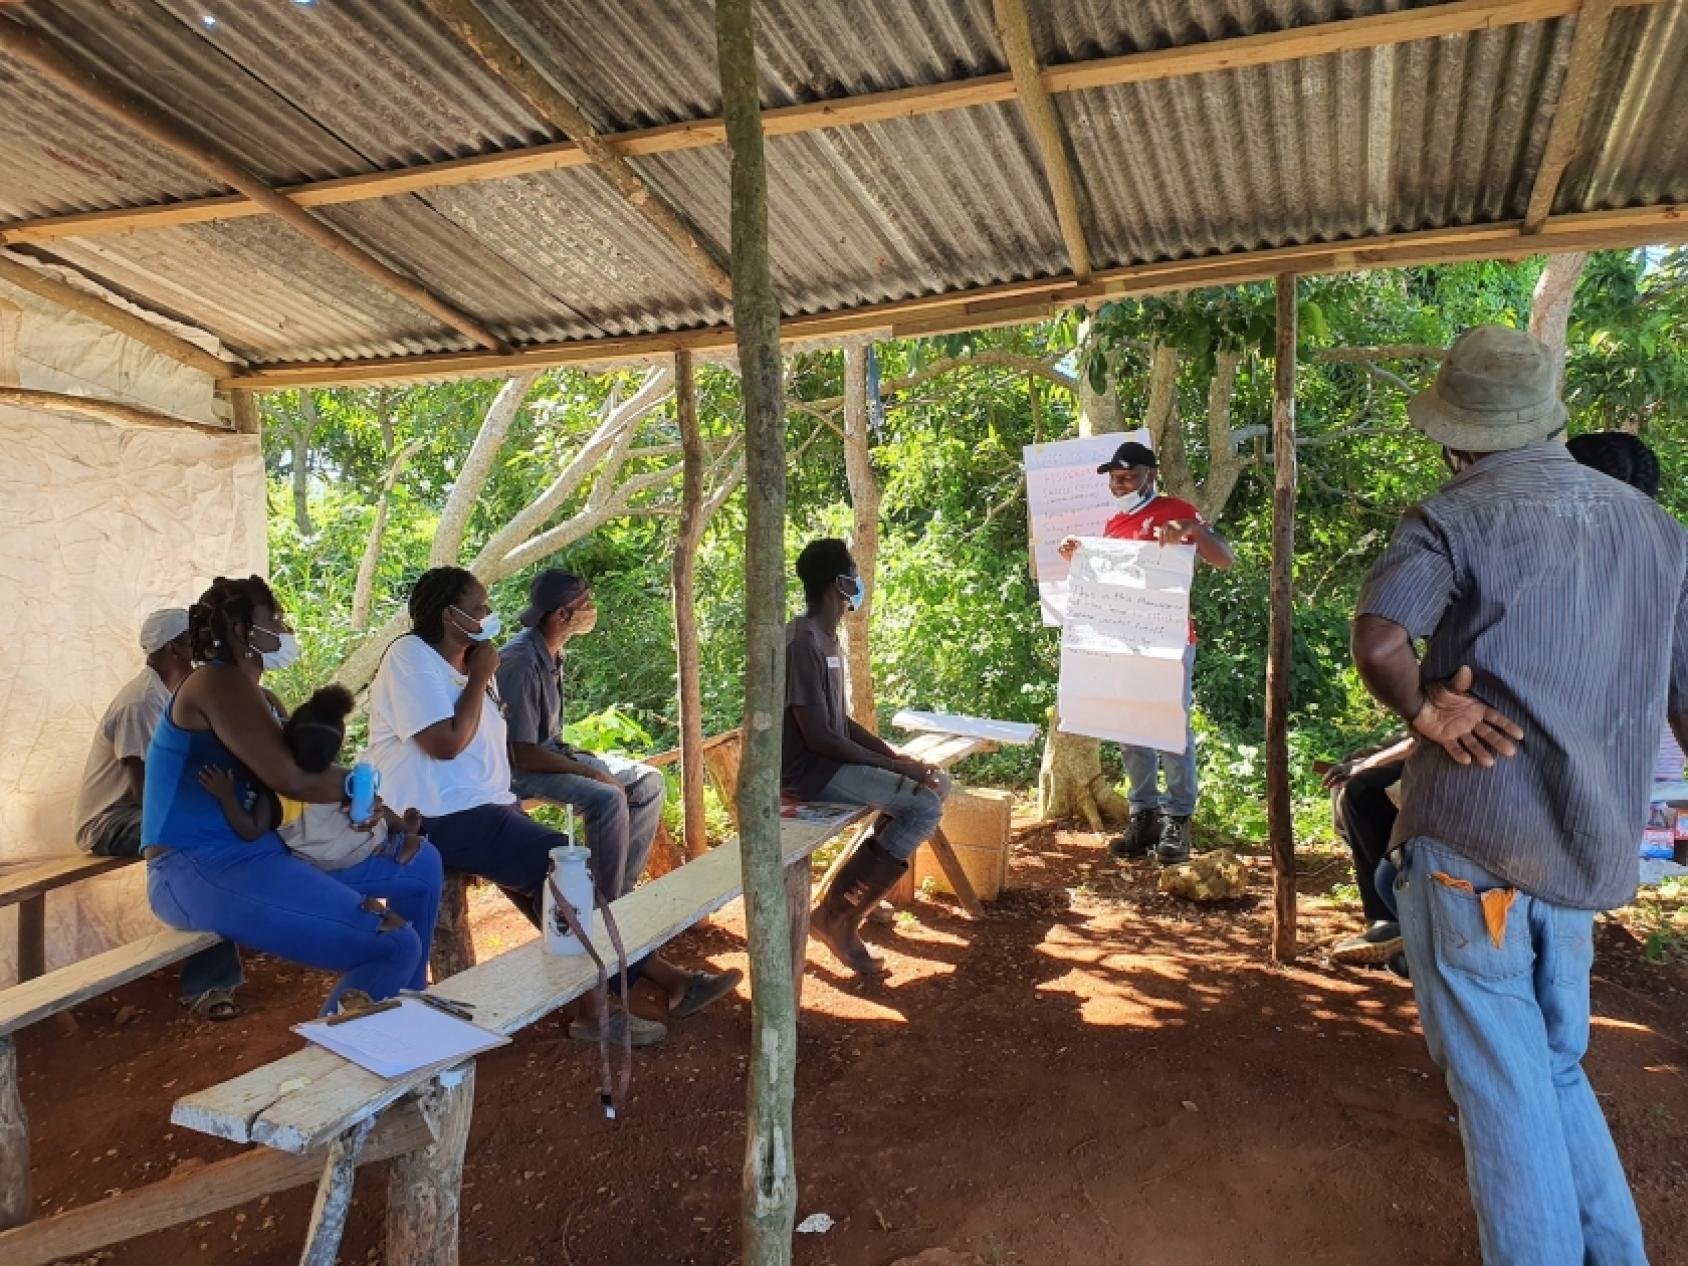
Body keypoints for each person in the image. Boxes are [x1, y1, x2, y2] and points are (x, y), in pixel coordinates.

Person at [1352, 325, 1688, 1264]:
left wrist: (1429, 711)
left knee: (1500, 1091)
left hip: (1473, 843)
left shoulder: (1454, 512)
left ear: (1454, 434)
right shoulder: (1656, 529)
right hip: (1582, 851)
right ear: (1547, 419)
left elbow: (1380, 642)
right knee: (1556, 1068)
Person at [367, 566, 664, 1046]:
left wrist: (477, 675)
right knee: (567, 871)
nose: (488, 616)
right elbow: (445, 744)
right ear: (450, 614)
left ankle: (625, 987)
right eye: (480, 607)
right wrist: (481, 674)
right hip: (434, 818)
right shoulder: (410, 657)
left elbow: (487, 756)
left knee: (555, 891)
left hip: (486, 810)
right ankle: (607, 1005)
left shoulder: (467, 666)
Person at [144, 578, 431, 1014]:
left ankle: (406, 1007)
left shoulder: (257, 696)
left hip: (262, 851)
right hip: (198, 866)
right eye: (274, 618)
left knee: (423, 866)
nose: (284, 627)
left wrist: (365, 800)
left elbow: (304, 772)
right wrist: (356, 789)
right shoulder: (214, 684)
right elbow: (292, 778)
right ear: (243, 632)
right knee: (391, 946)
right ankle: (339, 1073)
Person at [496, 568, 740, 1020]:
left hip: (550, 753)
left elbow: (550, 742)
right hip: (518, 770)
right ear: (562, 614)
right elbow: (522, 751)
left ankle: (613, 898)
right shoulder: (517, 660)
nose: (591, 610)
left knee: (646, 782)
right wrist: (590, 773)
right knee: (607, 798)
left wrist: (590, 764)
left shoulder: (553, 652)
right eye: (584, 603)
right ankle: (605, 914)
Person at [1058, 440, 1234, 864]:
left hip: (1171, 642)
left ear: (1150, 475)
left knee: (1171, 730)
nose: (1120, 485)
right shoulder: (1115, 524)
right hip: (1124, 642)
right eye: (1115, 479)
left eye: (1129, 477)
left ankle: (1179, 820)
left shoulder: (1178, 510)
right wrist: (1078, 559)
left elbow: (1224, 559)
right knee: (1130, 727)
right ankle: (1144, 815)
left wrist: (1192, 531)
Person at [783, 539, 951, 977]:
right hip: (809, 774)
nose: (858, 582)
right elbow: (819, 737)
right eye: (853, 573)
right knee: (923, 805)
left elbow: (841, 722)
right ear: (838, 583)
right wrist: (896, 769)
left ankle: (845, 901)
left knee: (935, 785)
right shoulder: (801, 642)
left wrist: (894, 756)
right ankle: (840, 916)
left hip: (830, 763)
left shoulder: (826, 640)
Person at [197, 685, 443, 982]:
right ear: (336, 750)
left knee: (376, 821)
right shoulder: (337, 781)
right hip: (355, 852)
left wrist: (226, 796)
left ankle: (399, 839)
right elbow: (363, 812)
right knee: (392, 828)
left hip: (316, 862)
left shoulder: (276, 792)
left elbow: (249, 830)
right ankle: (401, 834)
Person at [71, 609, 247, 1020]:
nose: (201, 647)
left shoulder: (171, 693)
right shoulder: (141, 701)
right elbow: (146, 792)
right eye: (193, 639)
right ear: (173, 648)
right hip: (109, 822)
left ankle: (216, 970)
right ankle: (208, 984)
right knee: (205, 850)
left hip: (140, 810)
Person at [1323, 736, 1412, 968]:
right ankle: (1388, 926)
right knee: (1350, 766)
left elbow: (1421, 739)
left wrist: (1366, 765)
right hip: (1428, 739)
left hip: (1445, 751)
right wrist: (1362, 760)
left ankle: (1388, 920)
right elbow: (1415, 733)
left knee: (1360, 788)